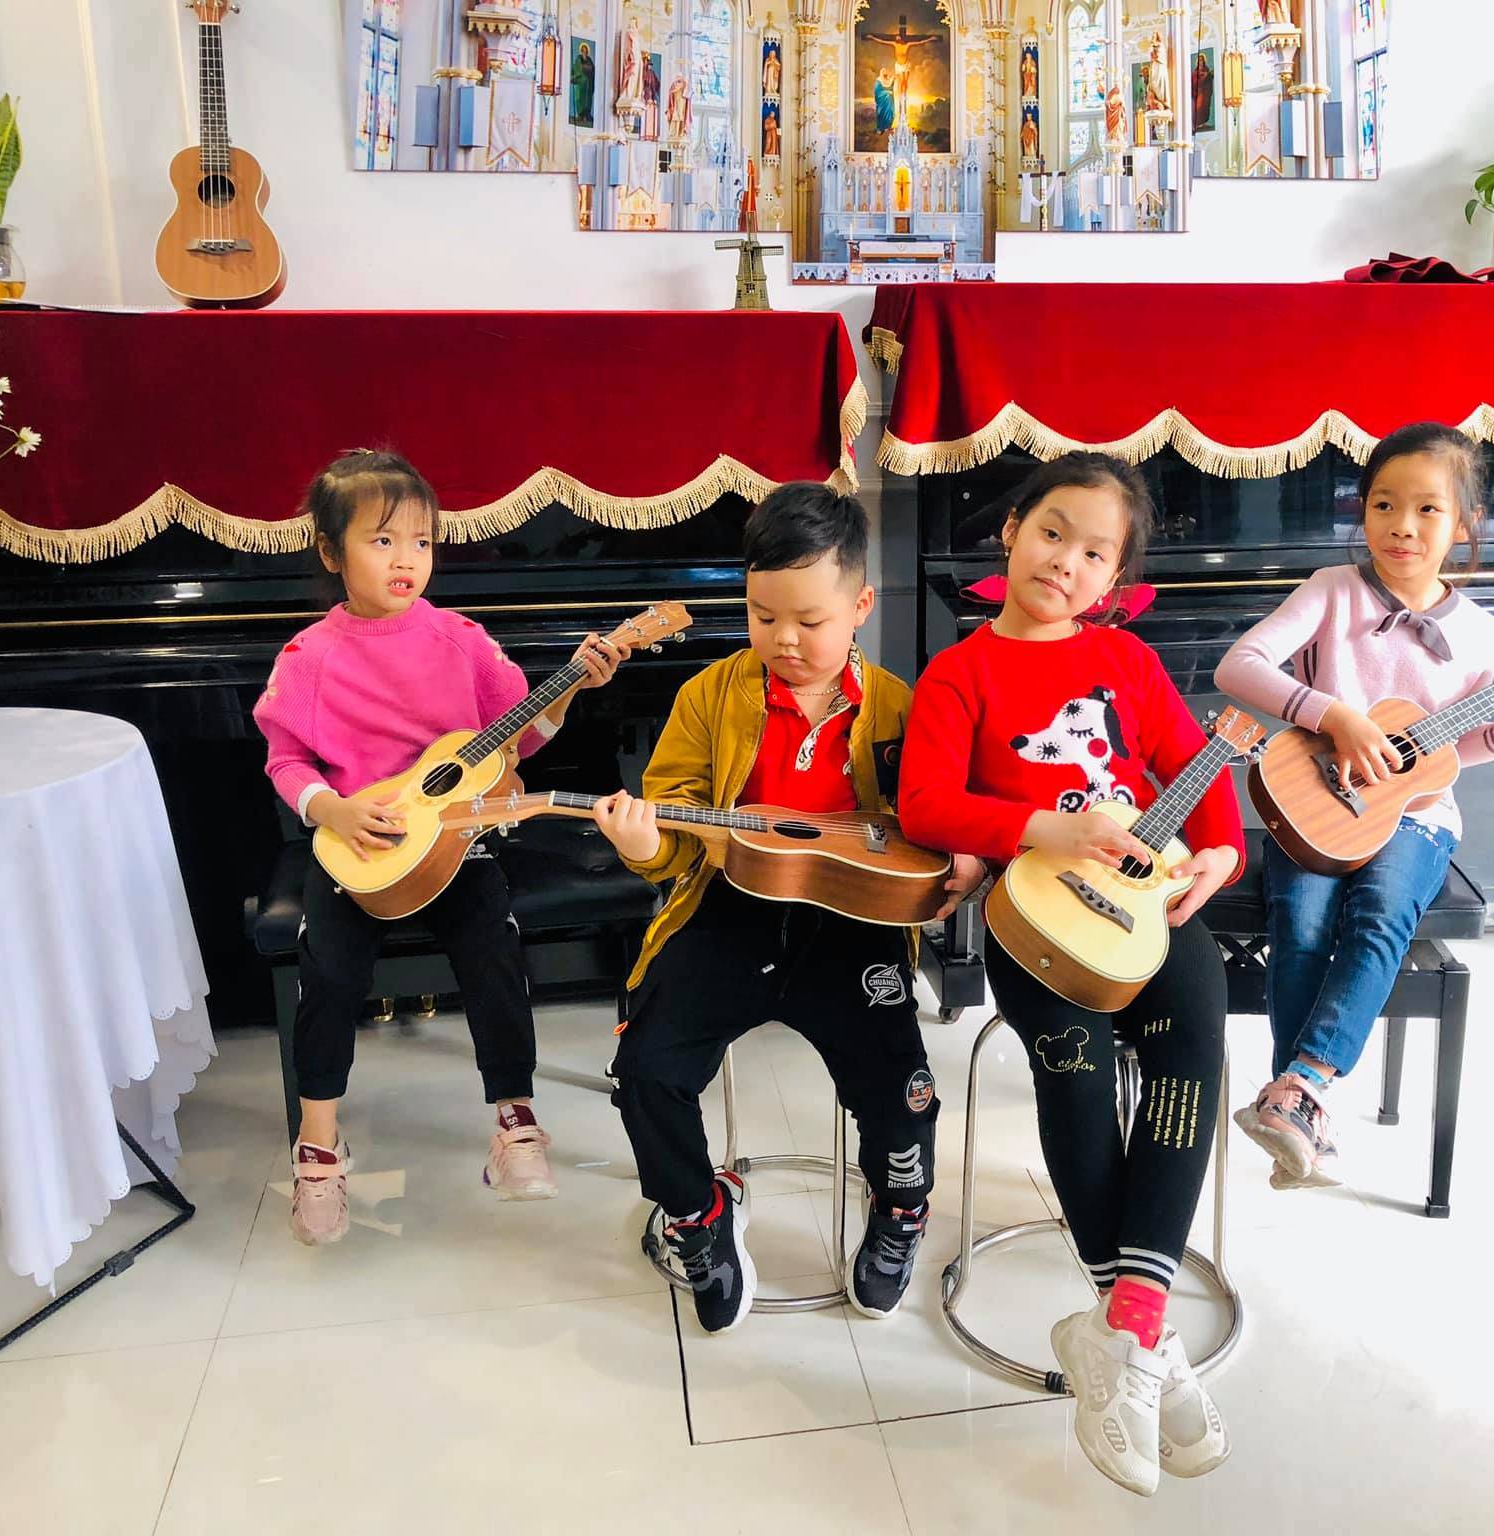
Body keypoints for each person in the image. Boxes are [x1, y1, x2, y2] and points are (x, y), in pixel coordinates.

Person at [899, 453, 1244, 1497]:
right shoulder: (959, 672)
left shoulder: (1126, 661)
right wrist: (1046, 828)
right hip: (1037, 915)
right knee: (1079, 1074)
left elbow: (1196, 767)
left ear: (1113, 579)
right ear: (1012, 532)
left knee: (1193, 1044)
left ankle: (1123, 1330)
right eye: (1053, 532)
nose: (1067, 562)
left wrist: (1221, 854)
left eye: (1096, 553)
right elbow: (924, 803)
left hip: (1144, 903)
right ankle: (1146, 1338)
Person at [594, 483, 983, 1334]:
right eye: (762, 615)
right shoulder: (710, 697)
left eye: (810, 620)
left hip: (853, 924)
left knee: (902, 1090)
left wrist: (961, 854)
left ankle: (901, 1209)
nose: (783, 640)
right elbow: (674, 836)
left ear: (861, 607)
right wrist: (644, 846)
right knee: (645, 1069)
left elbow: (935, 820)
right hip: (728, 908)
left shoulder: (900, 707)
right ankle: (698, 1215)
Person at [255, 450, 625, 1246]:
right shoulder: (308, 656)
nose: (407, 559)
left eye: (421, 542)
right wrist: (334, 809)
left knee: (493, 943)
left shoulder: (462, 640)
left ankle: (516, 1118)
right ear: (331, 553)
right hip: (357, 845)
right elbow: (286, 760)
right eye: (382, 540)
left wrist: (571, 690)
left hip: (456, 841)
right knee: (329, 967)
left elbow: (518, 740)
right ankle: (319, 1144)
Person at [1213, 422, 1494, 1189]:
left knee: (1378, 915)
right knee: (1303, 922)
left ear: (1466, 523)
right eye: (1383, 504)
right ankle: (1299, 1111)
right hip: (1316, 803)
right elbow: (1239, 666)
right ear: (1362, 509)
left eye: (1428, 509)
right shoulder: (1331, 591)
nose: (1402, 525)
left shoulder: (1479, 632)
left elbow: (1450, 754)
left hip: (1418, 816)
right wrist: (1334, 715)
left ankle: (1298, 1091)